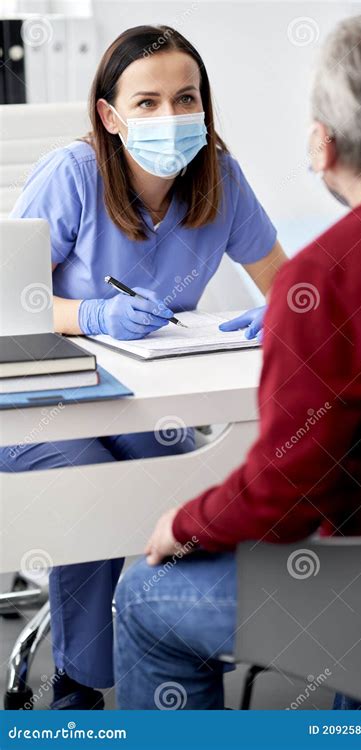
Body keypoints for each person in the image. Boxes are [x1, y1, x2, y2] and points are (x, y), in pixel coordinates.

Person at [114, 11, 361, 710]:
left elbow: (286, 499)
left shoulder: (329, 276)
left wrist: (187, 523)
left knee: (145, 595)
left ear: (322, 144)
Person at [0, 25, 287, 709]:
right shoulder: (73, 174)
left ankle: (176, 653)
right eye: (148, 101)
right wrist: (91, 315)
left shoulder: (220, 176)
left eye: (186, 98)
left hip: (146, 391)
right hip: (43, 404)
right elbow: (8, 301)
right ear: (109, 114)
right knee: (91, 480)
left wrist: (287, 312)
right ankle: (77, 683)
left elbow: (287, 281)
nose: (172, 117)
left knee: (179, 474)